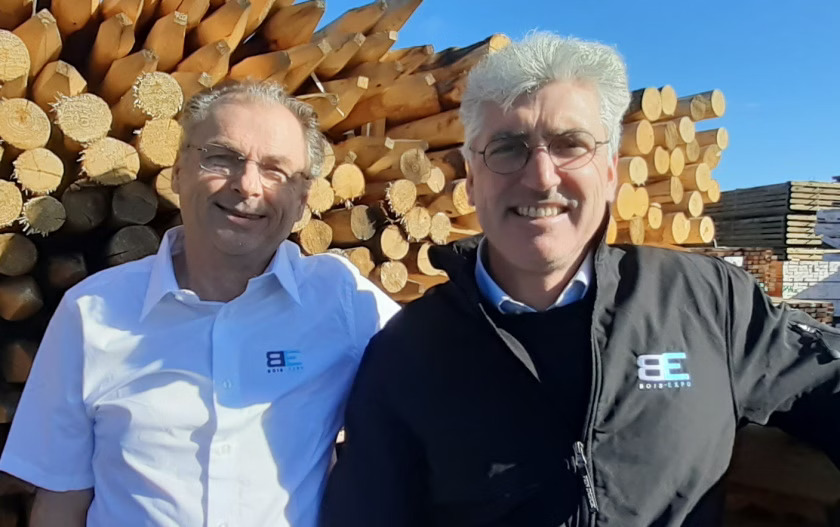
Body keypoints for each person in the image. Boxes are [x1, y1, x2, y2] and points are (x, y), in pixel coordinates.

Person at [320, 33, 840, 526]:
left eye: (570, 144)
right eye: (507, 147)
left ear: (611, 172)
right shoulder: (410, 349)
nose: (542, 176)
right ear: (472, 181)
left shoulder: (707, 301)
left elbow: (824, 382)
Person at [0, 82, 400, 527]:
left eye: (276, 171)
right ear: (178, 172)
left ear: (303, 197)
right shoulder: (91, 311)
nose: (248, 185)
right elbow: (61, 500)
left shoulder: (342, 300)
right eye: (222, 157)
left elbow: (446, 379)